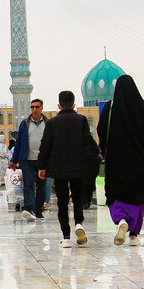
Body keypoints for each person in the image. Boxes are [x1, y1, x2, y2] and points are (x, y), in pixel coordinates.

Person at [97, 74, 144, 247]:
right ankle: (134, 235)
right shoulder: (140, 107)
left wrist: (106, 150)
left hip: (116, 160)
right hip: (138, 161)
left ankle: (121, 220)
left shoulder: (110, 107)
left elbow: (102, 130)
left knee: (115, 193)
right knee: (137, 196)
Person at [37, 90, 97, 248]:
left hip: (59, 169)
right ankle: (79, 224)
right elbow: (88, 141)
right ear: (74, 104)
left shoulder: (52, 123)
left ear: (59, 105)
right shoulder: (81, 120)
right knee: (77, 198)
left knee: (62, 203)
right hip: (78, 167)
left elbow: (45, 147)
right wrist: (98, 153)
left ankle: (66, 237)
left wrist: (42, 167)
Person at [10, 98, 49, 221]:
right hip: (27, 160)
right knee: (28, 185)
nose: (34, 109)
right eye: (32, 107)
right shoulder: (25, 123)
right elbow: (19, 143)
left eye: (37, 107)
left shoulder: (47, 123)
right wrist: (14, 160)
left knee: (41, 187)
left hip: (43, 161)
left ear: (42, 108)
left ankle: (39, 211)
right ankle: (29, 209)